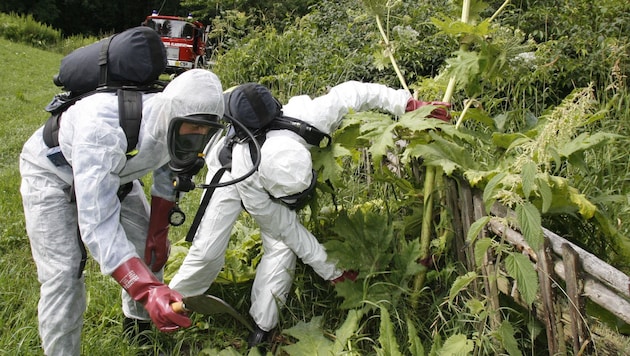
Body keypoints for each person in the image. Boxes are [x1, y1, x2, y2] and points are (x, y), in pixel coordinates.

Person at [168, 80, 451, 348]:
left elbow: (355, 92)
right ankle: (169, 304)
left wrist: (407, 103)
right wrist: (330, 270)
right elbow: (286, 227)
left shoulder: (310, 118)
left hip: (265, 167)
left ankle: (262, 327)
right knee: (208, 249)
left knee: (281, 250)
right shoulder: (245, 170)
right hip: (228, 172)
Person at [19, 68, 225, 355]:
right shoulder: (103, 128)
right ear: (171, 115)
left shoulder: (177, 124)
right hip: (54, 174)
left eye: (207, 130)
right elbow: (98, 225)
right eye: (194, 127)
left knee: (149, 251)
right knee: (64, 275)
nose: (199, 136)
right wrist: (146, 289)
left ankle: (137, 328)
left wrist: (157, 232)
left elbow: (169, 167)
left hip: (117, 175)